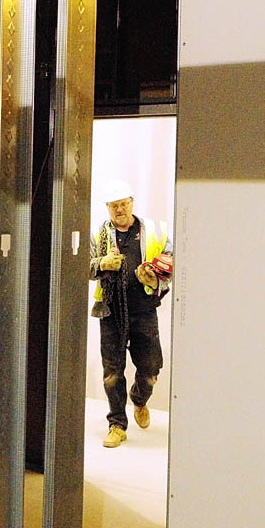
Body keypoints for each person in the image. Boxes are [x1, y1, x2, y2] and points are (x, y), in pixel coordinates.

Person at [89, 179, 173, 448]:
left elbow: (172, 266)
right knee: (113, 372)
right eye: (114, 206)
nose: (119, 210)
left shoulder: (156, 232)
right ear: (108, 208)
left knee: (150, 368)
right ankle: (117, 424)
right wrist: (102, 263)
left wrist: (153, 279)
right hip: (111, 312)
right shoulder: (98, 235)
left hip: (144, 310)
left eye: (123, 204)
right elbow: (81, 265)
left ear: (132, 203)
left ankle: (139, 399)